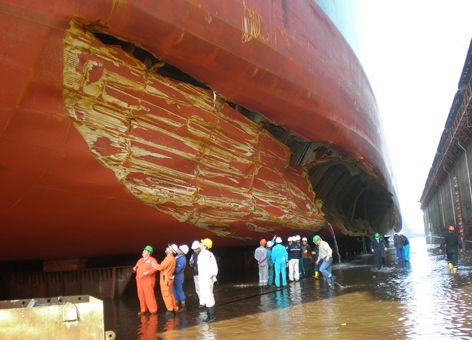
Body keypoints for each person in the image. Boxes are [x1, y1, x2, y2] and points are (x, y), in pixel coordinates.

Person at [133, 245, 159, 315]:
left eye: (145, 251)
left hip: (148, 280)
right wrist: (134, 269)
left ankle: (153, 310)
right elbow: (135, 268)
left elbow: (155, 268)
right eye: (143, 250)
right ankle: (143, 310)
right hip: (139, 280)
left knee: (149, 295)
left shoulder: (152, 260)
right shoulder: (140, 260)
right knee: (141, 295)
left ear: (149, 253)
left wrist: (148, 272)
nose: (143, 251)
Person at [198, 238, 218, 322]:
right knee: (207, 295)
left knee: (208, 296)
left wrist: (212, 275)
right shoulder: (206, 254)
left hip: (206, 278)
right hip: (206, 278)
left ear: (205, 246)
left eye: (201, 243)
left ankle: (211, 317)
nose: (200, 244)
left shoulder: (205, 254)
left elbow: (210, 266)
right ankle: (210, 316)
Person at [156, 244, 179, 318]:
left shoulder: (168, 259)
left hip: (165, 279)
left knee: (166, 295)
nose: (166, 248)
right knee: (170, 294)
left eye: (168, 248)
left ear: (171, 251)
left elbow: (160, 267)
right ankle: (174, 308)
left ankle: (170, 310)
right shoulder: (172, 258)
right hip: (169, 278)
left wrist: (153, 264)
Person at [173, 244, 189, 312]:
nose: (178, 249)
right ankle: (176, 303)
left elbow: (178, 269)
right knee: (174, 290)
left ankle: (183, 305)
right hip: (175, 276)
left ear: (182, 252)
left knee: (179, 290)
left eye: (180, 249)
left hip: (178, 277)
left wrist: (171, 270)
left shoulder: (182, 259)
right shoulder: (178, 257)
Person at [189, 240, 203, 307]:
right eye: (193, 249)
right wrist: (191, 263)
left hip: (201, 274)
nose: (194, 250)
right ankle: (201, 301)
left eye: (195, 249)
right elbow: (191, 263)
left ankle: (204, 302)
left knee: (202, 287)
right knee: (197, 288)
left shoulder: (203, 254)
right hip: (195, 273)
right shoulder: (193, 255)